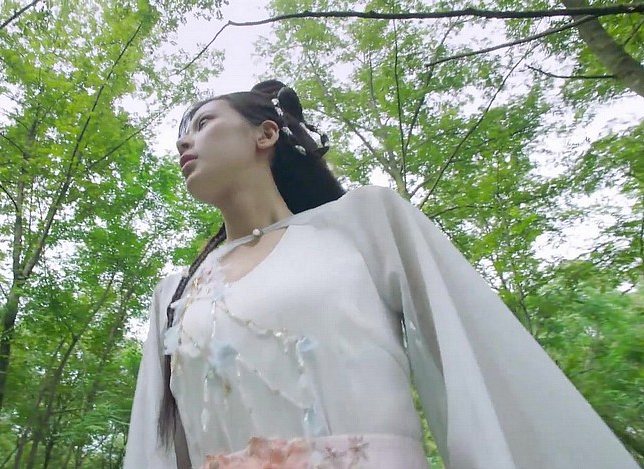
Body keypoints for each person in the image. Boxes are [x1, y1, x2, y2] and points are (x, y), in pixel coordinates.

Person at [123, 80, 638, 469]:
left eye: (203, 123)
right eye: (182, 134)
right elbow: (159, 450)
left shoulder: (365, 224)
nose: (184, 142)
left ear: (266, 133)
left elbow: (480, 365)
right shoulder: (175, 295)